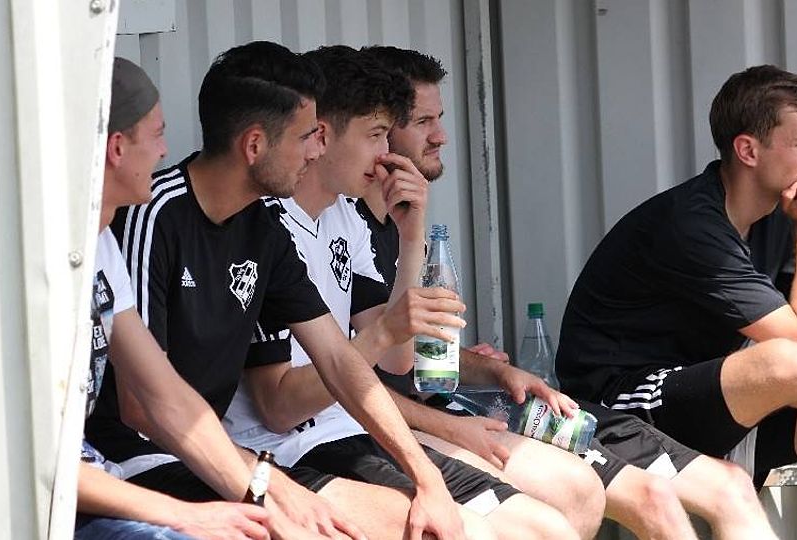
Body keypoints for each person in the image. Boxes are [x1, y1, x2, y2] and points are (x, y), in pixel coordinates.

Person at [362, 45, 778, 539]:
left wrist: (497, 371)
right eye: (423, 122)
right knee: (632, 497)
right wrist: (456, 417)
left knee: (728, 484)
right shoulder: (345, 231)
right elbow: (357, 373)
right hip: (416, 423)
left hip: (477, 400)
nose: (441, 136)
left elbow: (413, 351)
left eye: (441, 118)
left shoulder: (403, 227)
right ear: (380, 133)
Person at [90, 41, 492, 540]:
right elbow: (146, 409)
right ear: (255, 145)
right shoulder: (155, 217)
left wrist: (425, 476)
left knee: (426, 522)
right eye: (306, 136)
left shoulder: (263, 227)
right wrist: (266, 483)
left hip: (218, 455)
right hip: (145, 460)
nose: (316, 150)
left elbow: (338, 358)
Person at [223, 45, 578, 540]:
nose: (384, 152)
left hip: (353, 427)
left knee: (549, 524)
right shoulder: (266, 229)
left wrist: (412, 237)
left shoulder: (343, 218)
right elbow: (280, 410)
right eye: (375, 135)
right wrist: (390, 333)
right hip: (292, 449)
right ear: (322, 136)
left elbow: (398, 360)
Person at [555, 63, 797, 493]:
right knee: (787, 361)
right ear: (748, 150)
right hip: (623, 412)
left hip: (717, 409)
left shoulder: (778, 211)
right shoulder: (691, 224)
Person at [75, 57, 279, 540]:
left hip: (93, 479)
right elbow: (42, 464)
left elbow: (165, 395)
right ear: (117, 148)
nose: (166, 149)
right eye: (158, 134)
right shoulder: (47, 261)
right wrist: (186, 515)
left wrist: (264, 508)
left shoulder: (101, 243)